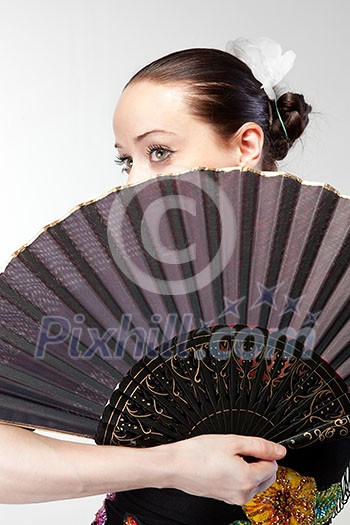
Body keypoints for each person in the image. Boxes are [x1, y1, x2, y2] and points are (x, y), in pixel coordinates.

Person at [0, 39, 348, 525]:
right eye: (127, 159)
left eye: (159, 151)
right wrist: (169, 467)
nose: (132, 182)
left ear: (247, 145)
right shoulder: (107, 291)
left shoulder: (331, 282)